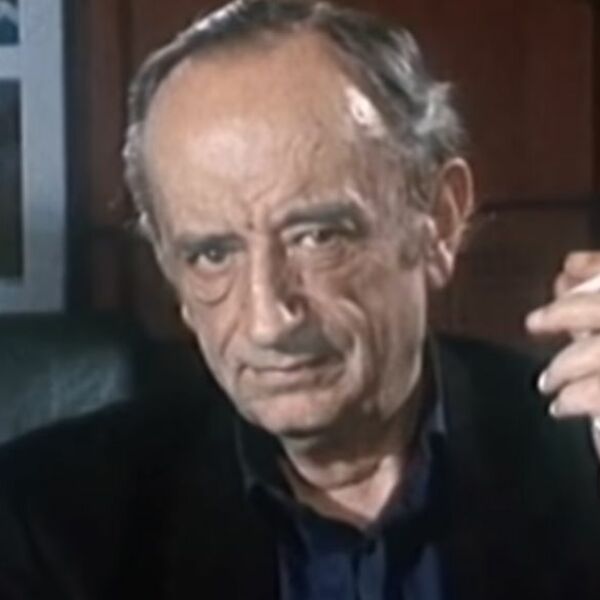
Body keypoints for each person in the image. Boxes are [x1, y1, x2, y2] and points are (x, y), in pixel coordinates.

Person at [1, 1, 600, 598]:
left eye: (318, 237)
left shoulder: (580, 457)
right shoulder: (49, 519)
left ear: (438, 222)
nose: (268, 321)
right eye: (213, 254)